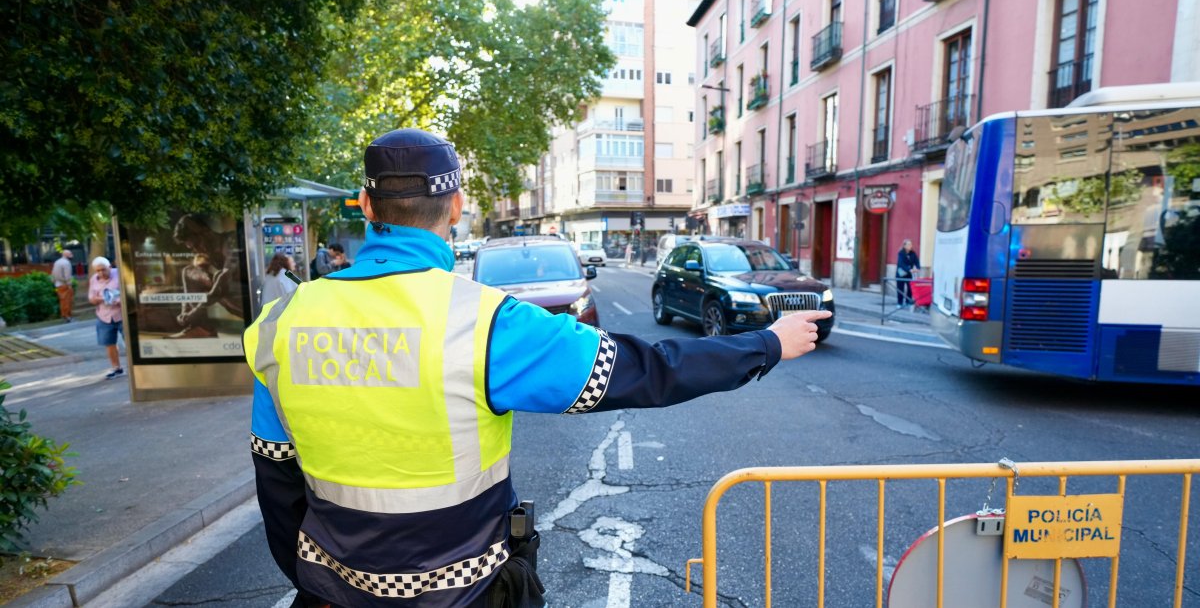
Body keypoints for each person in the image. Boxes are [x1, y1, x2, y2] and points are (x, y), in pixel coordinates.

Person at [244, 128, 830, 608]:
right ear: (455, 205)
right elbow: (643, 368)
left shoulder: (281, 322)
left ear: (367, 205)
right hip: (464, 597)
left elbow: (276, 482)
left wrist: (317, 584)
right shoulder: (485, 322)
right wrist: (766, 344)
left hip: (329, 595)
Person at [170, 214, 245, 338]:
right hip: (230, 296)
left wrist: (195, 311)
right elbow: (194, 276)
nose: (197, 250)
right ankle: (200, 328)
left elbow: (224, 281)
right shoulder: (207, 252)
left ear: (206, 233)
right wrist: (185, 313)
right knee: (189, 271)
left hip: (249, 298)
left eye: (197, 245)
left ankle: (196, 321)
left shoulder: (231, 240)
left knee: (219, 277)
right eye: (192, 248)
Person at [87, 256, 124, 379]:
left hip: (122, 314)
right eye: (97, 271)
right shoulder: (94, 279)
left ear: (110, 267)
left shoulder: (120, 274)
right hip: (104, 316)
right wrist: (104, 298)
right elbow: (91, 298)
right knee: (109, 344)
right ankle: (116, 368)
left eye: (103, 270)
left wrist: (118, 299)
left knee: (130, 342)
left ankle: (137, 367)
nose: (101, 273)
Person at [896, 239, 921, 306]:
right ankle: (899, 303)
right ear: (904, 246)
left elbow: (916, 261)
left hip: (909, 274)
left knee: (910, 288)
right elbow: (901, 264)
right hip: (901, 274)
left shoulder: (913, 253)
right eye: (909, 244)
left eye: (911, 244)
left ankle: (908, 301)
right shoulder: (901, 253)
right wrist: (909, 269)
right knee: (900, 289)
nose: (911, 246)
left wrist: (918, 268)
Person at [52, 249, 74, 322]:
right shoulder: (66, 263)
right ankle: (68, 316)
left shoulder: (57, 262)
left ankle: (64, 315)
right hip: (64, 284)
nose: (72, 255)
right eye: (70, 254)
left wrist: (54, 282)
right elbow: (67, 276)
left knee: (62, 301)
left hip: (58, 284)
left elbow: (53, 274)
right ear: (66, 255)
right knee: (67, 301)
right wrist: (69, 284)